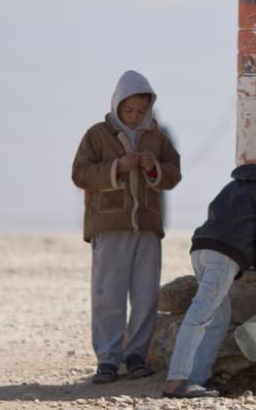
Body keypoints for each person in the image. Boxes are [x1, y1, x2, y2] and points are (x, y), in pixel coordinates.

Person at [162, 153, 256, 398]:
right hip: (222, 257)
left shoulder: (238, 183)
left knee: (219, 315)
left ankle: (197, 379)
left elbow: (245, 233)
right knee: (201, 313)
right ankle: (176, 381)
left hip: (201, 249)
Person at [72, 70, 181, 384]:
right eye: (128, 111)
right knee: (109, 294)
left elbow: (174, 174)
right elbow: (80, 174)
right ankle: (108, 359)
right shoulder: (96, 135)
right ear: (117, 105)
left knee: (146, 295)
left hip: (147, 228)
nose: (134, 118)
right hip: (110, 227)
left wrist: (154, 168)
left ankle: (136, 355)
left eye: (140, 112)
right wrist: (117, 167)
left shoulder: (158, 137)